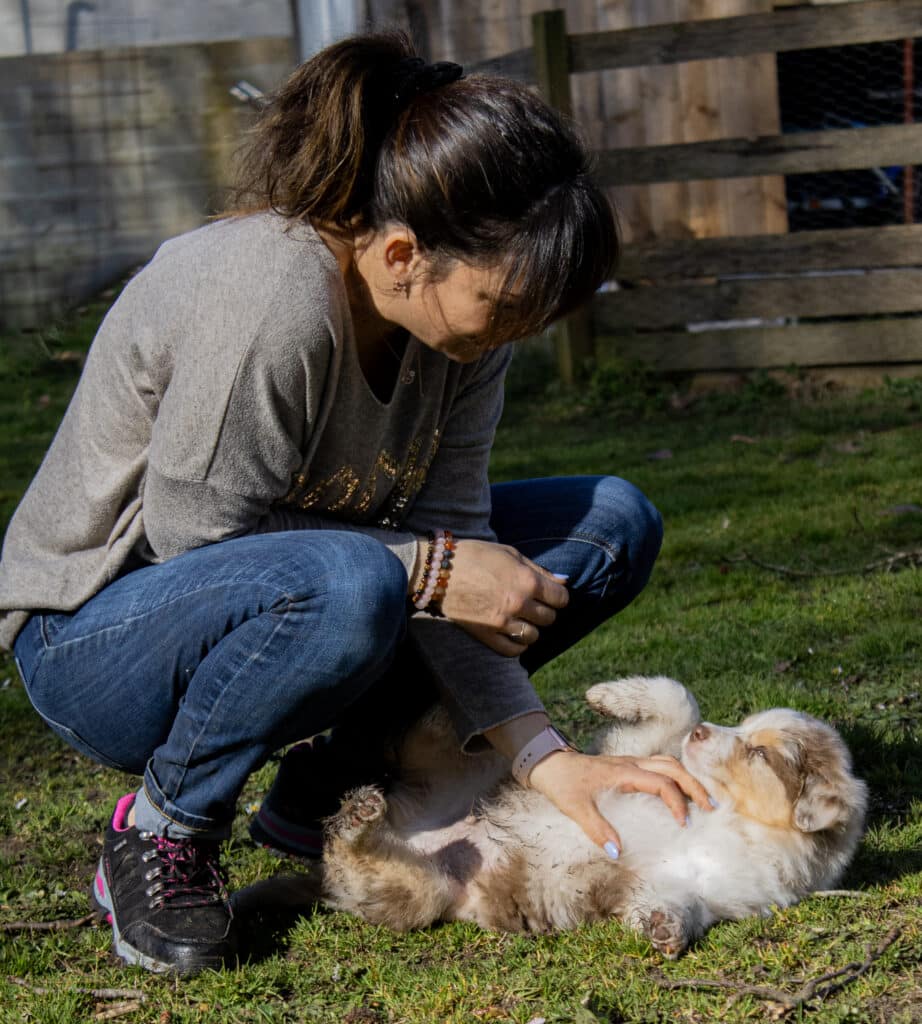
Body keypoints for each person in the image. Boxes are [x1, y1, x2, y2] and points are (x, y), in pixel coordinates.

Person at [0, 32, 713, 976]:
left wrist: (546, 757)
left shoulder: (463, 333)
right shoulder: (270, 292)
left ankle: (323, 798)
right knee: (358, 579)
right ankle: (165, 829)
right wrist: (431, 568)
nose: (520, 332)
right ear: (404, 253)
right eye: (507, 305)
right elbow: (192, 538)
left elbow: (458, 544)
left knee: (609, 525)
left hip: (310, 604)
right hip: (101, 638)